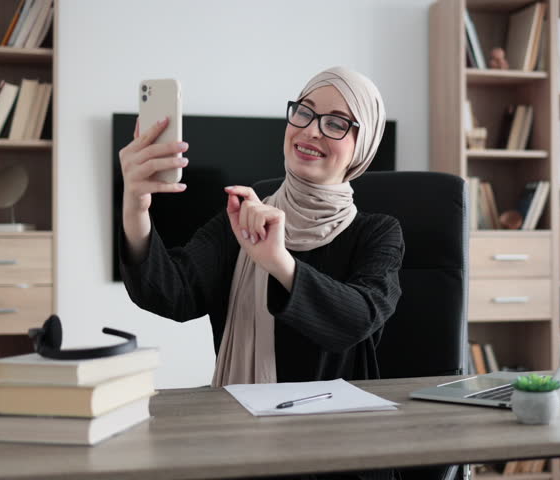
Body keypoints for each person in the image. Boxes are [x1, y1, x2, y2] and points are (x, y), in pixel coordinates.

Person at [118, 67, 403, 479]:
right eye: (303, 112)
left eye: (337, 123)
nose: (311, 130)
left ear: (364, 145)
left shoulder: (378, 232)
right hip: (242, 441)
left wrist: (277, 262)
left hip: (343, 452)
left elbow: (357, 320)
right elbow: (172, 294)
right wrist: (135, 206)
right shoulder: (240, 217)